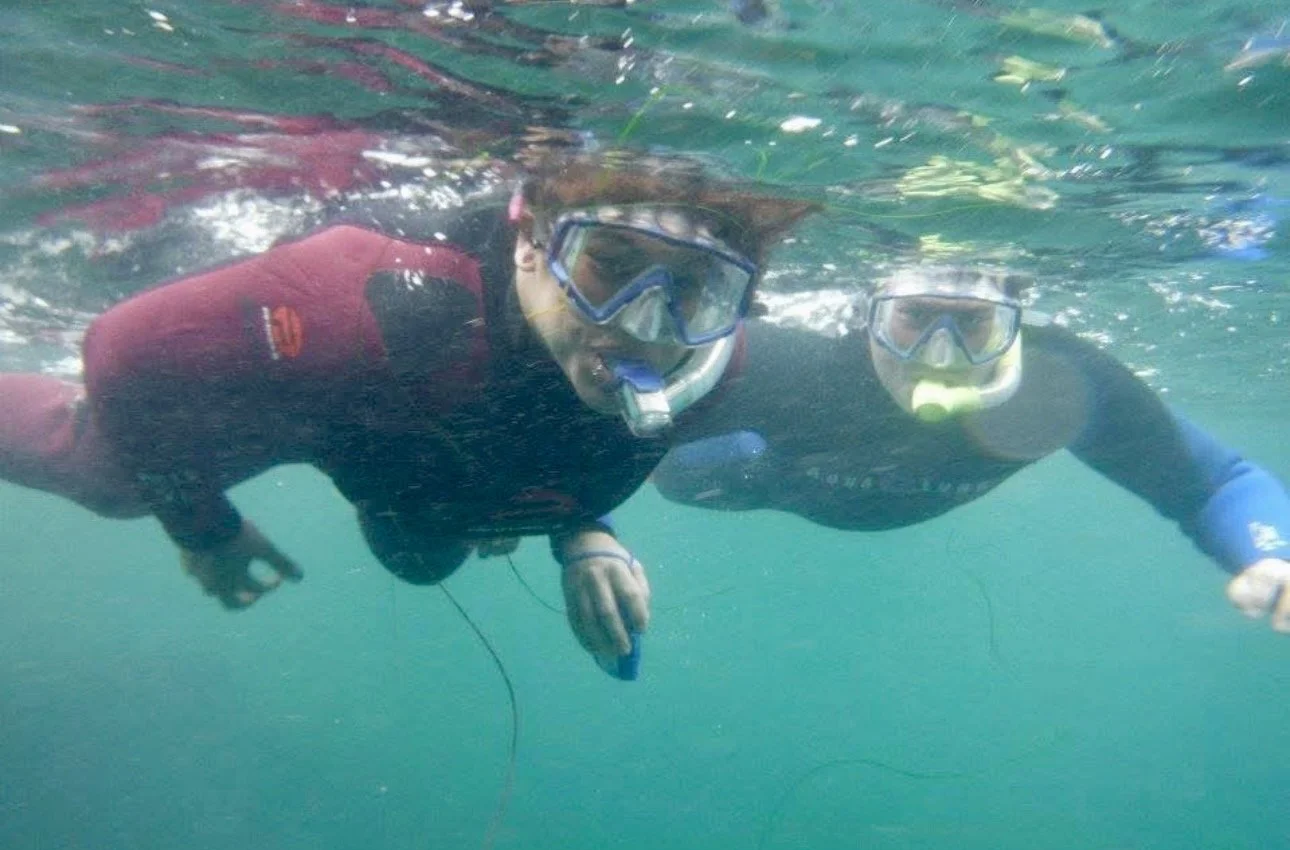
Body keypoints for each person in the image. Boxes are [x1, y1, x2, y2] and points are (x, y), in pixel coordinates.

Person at [0, 149, 815, 664]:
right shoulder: (357, 300)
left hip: (427, 470)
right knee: (111, 479)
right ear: (530, 240)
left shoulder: (713, 359)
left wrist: (583, 534)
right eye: (609, 263)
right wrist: (202, 528)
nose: (647, 321)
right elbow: (123, 350)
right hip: (318, 398)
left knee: (424, 558)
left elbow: (587, 431)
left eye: (698, 288)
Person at [653, 264, 1290, 632]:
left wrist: (1272, 558)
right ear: (870, 315)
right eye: (916, 318)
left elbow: (1214, 483)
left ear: (1014, 325)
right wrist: (586, 529)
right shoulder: (787, 358)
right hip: (729, 482)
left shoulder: (1059, 385)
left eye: (974, 323)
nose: (941, 354)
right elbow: (591, 424)